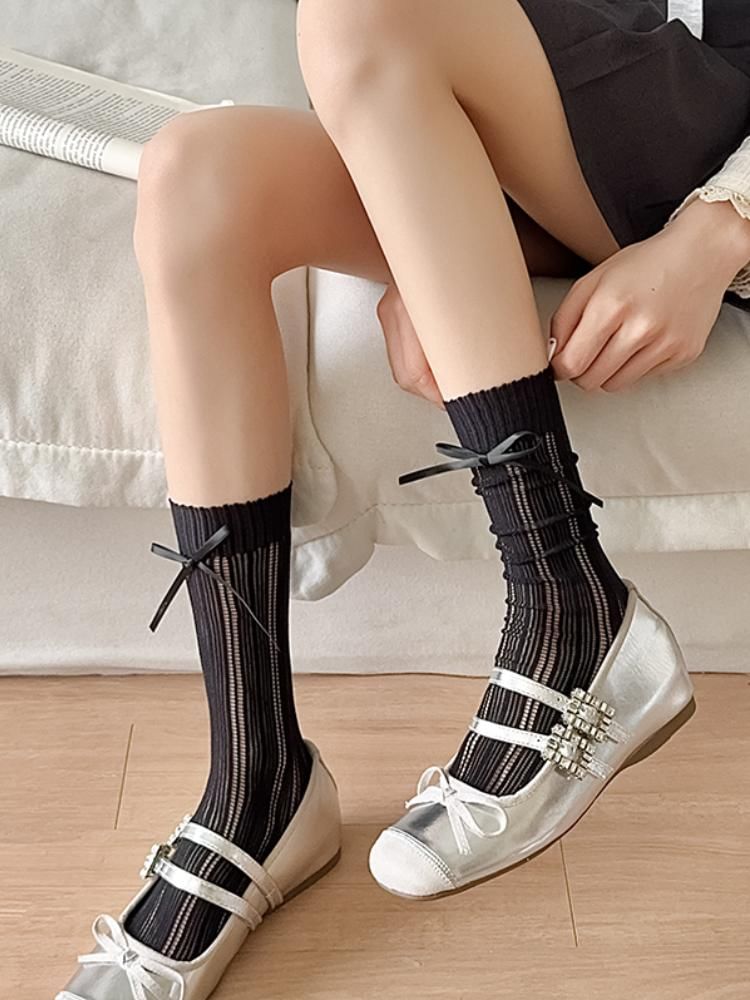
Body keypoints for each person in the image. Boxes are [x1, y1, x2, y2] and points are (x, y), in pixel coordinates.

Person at [56, 1, 750, 997]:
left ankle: (568, 602)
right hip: (565, 137)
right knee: (195, 175)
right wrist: (416, 236)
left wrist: (720, 230)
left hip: (711, 154)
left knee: (360, 7)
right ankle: (257, 781)